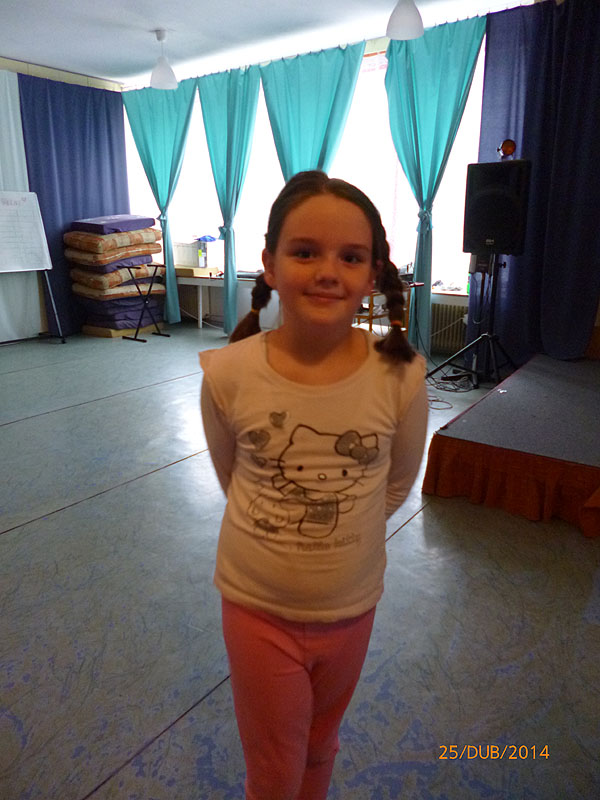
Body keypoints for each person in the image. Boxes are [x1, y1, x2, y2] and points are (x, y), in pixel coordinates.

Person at [199, 170, 428, 800]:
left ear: (372, 273)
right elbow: (234, 477)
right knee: (275, 766)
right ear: (270, 264)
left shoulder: (400, 375)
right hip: (257, 609)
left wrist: (341, 535)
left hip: (352, 609)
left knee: (321, 746)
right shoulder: (228, 374)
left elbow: (396, 484)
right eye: (305, 252)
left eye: (350, 257)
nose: (328, 271)